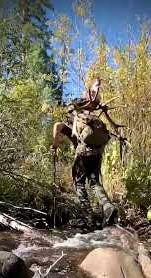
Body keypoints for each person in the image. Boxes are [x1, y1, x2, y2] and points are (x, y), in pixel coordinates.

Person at [51, 78, 118, 230]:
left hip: (83, 154)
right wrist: (96, 88)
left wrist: (54, 145)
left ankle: (88, 217)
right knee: (95, 182)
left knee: (79, 183)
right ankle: (108, 207)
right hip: (97, 152)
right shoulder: (89, 119)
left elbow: (57, 126)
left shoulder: (75, 120)